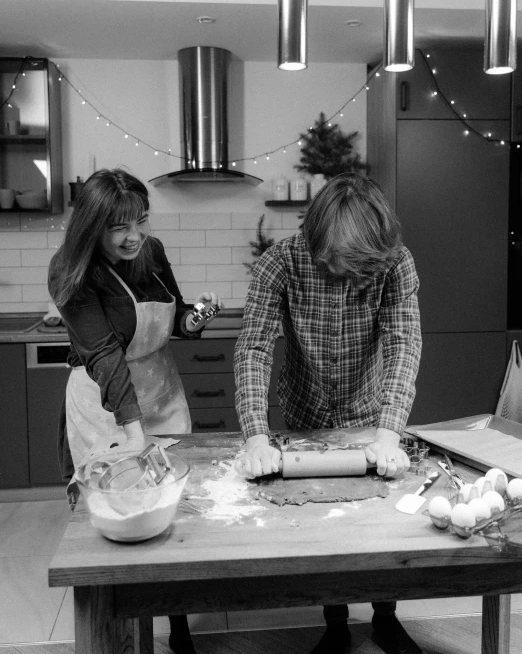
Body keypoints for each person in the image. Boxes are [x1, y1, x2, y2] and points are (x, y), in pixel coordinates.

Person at [234, 172, 423, 654]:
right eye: (341, 263)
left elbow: (404, 342)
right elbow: (254, 348)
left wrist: (389, 432)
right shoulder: (280, 262)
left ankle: (385, 617)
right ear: (316, 241)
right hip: (305, 412)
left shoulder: (393, 262)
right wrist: (257, 436)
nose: (350, 274)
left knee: (376, 522)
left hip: (368, 410)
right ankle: (335, 623)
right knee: (325, 521)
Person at [49, 167, 223, 654]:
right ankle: (117, 633)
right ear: (92, 225)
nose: (134, 236)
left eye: (141, 221)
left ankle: (179, 626)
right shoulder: (72, 272)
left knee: (170, 513)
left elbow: (180, 319)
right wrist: (132, 433)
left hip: (161, 391)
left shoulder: (151, 251)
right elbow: (104, 355)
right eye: (119, 226)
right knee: (117, 516)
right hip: (106, 405)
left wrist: (202, 314)